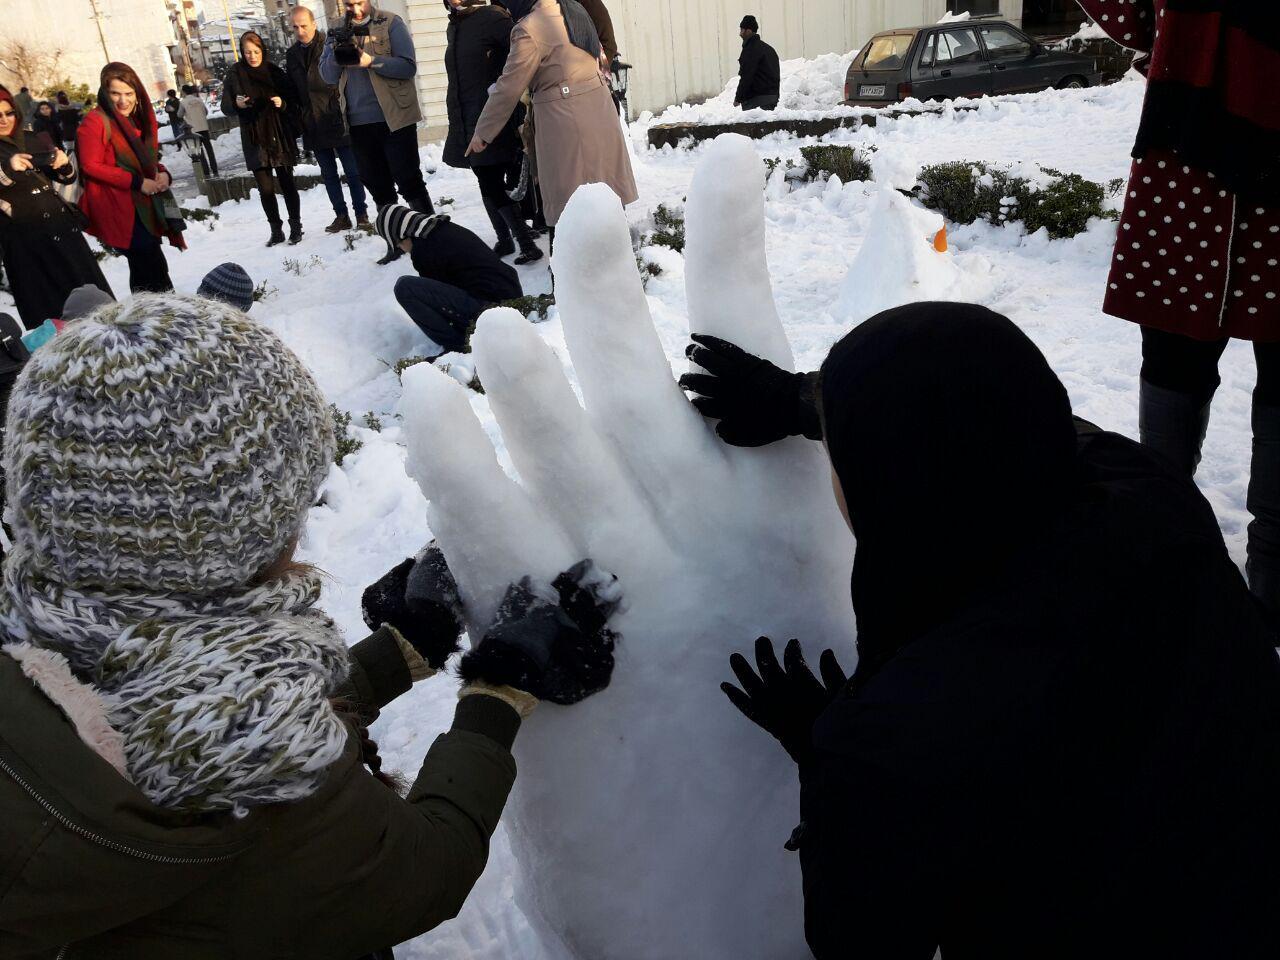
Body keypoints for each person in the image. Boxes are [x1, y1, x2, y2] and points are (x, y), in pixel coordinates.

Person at [0, 292, 620, 957]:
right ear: (224, 534)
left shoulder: (45, 638)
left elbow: (193, 705)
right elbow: (418, 871)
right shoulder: (244, 787)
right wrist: (496, 698)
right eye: (294, 499)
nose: (301, 527)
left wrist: (397, 654)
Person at [683, 303, 1280, 959]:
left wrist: (832, 770)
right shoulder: (1151, 499)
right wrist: (804, 401)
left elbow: (861, 941)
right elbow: (1004, 418)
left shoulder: (905, 731)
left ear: (882, 487)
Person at [1072, 1, 1280, 623]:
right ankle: (1176, 556)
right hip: (1188, 150)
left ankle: (1192, 564)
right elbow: (1132, 18)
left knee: (1176, 362)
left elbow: (1130, 19)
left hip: (1187, 149)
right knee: (1171, 360)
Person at [469, 0, 637, 233]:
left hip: (565, 121)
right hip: (600, 110)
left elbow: (509, 86)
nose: (507, 11)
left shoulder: (529, 28)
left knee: (573, 204)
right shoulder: (574, 11)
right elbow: (601, 57)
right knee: (606, 193)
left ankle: (576, 264)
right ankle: (614, 253)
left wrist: (483, 132)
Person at [319, 0, 432, 264]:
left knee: (408, 178)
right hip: (358, 122)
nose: (355, 9)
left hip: (395, 117)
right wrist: (338, 53)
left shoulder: (390, 22)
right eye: (349, 4)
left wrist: (371, 61)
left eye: (359, 2)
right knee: (377, 185)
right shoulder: (336, 29)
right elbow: (326, 75)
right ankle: (394, 244)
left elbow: (407, 66)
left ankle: (431, 236)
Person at [0, 85, 112, 329]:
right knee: (51, 315)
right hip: (28, 246)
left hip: (63, 234)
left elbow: (66, 178)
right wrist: (8, 169)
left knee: (95, 305)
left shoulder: (28, 138)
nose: (4, 120)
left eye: (8, 113)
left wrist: (62, 164)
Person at [443, 0, 542, 264]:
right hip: (465, 113)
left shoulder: (493, 17)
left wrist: (499, 89)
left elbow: (522, 55)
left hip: (492, 113)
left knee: (489, 177)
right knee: (484, 176)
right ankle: (506, 239)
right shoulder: (455, 25)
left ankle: (525, 243)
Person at [77, 62, 184, 294]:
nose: (123, 100)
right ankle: (157, 315)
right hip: (119, 206)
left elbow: (147, 161)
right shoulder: (96, 120)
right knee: (147, 261)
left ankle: (158, 315)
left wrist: (163, 173)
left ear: (137, 94)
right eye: (115, 93)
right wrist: (137, 182)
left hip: (144, 206)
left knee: (151, 263)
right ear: (105, 93)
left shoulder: (135, 121)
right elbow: (90, 165)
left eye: (128, 93)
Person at [376, 203, 522, 355]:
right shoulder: (439, 228)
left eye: (397, 244)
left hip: (493, 310)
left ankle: (459, 347)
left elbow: (435, 302)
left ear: (402, 234)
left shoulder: (424, 248)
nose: (400, 249)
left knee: (405, 288)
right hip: (509, 299)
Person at [288, 5, 369, 233]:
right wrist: (299, 118)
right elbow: (293, 90)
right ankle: (341, 216)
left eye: (304, 25)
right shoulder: (292, 54)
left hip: (336, 115)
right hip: (312, 122)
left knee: (353, 171)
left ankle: (361, 213)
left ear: (314, 23)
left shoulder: (329, 43)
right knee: (329, 175)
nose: (300, 30)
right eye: (295, 27)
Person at [222, 31, 305, 246]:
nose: (252, 56)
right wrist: (237, 104)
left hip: (278, 133)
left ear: (263, 50)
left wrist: (282, 103)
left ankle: (296, 227)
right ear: (242, 52)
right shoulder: (235, 74)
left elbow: (294, 101)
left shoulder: (274, 72)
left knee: (287, 183)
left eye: (256, 51)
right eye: (247, 52)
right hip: (254, 136)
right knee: (265, 188)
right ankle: (276, 230)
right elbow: (226, 106)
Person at [734, 16, 780, 111]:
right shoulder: (769, 49)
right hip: (772, 98)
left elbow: (747, 75)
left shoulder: (750, 50)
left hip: (757, 99)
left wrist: (738, 98)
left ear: (749, 31)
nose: (740, 33)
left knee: (753, 124)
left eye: (742, 30)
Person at [177, 83, 218, 176]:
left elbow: (179, 115)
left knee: (199, 151)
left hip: (193, 130)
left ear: (183, 92)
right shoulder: (199, 100)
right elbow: (206, 112)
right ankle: (214, 168)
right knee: (209, 149)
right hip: (204, 127)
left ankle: (206, 170)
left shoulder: (183, 102)